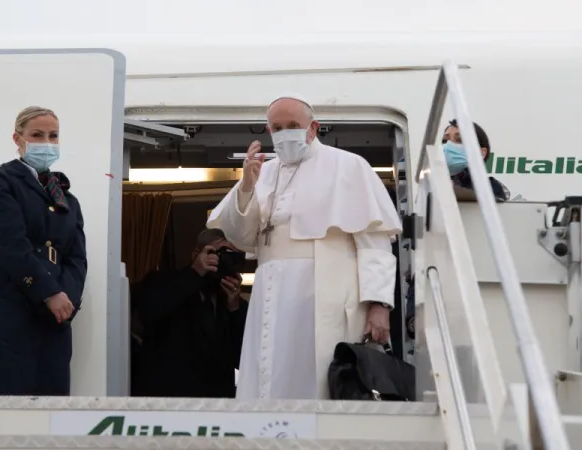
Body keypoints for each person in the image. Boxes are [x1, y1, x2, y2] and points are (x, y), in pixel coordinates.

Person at [207, 93, 401, 400]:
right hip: (270, 294)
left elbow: (375, 244)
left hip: (325, 294)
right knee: (267, 375)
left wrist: (378, 305)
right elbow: (242, 237)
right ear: (269, 131)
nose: (285, 133)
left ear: (313, 128)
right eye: (277, 127)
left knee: (318, 381)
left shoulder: (349, 166)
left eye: (293, 125)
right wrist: (245, 186)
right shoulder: (263, 172)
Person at [0, 106, 87, 396]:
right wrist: (48, 292)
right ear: (18, 139)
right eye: (37, 135)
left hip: (53, 316)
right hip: (7, 303)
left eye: (53, 136)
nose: (46, 142)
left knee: (48, 405)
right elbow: (8, 242)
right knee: (2, 397)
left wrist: (66, 299)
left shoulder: (66, 197)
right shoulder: (1, 180)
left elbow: (77, 258)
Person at [132, 228, 248, 398]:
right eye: (220, 252)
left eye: (231, 255)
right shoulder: (161, 281)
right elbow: (149, 312)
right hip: (168, 400)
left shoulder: (233, 302)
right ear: (196, 253)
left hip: (217, 404)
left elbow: (243, 360)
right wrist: (194, 273)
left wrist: (234, 309)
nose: (222, 260)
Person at [442, 119, 510, 202]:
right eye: (444, 141)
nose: (448, 146)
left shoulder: (490, 187)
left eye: (459, 140)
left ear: (481, 153)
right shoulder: (430, 184)